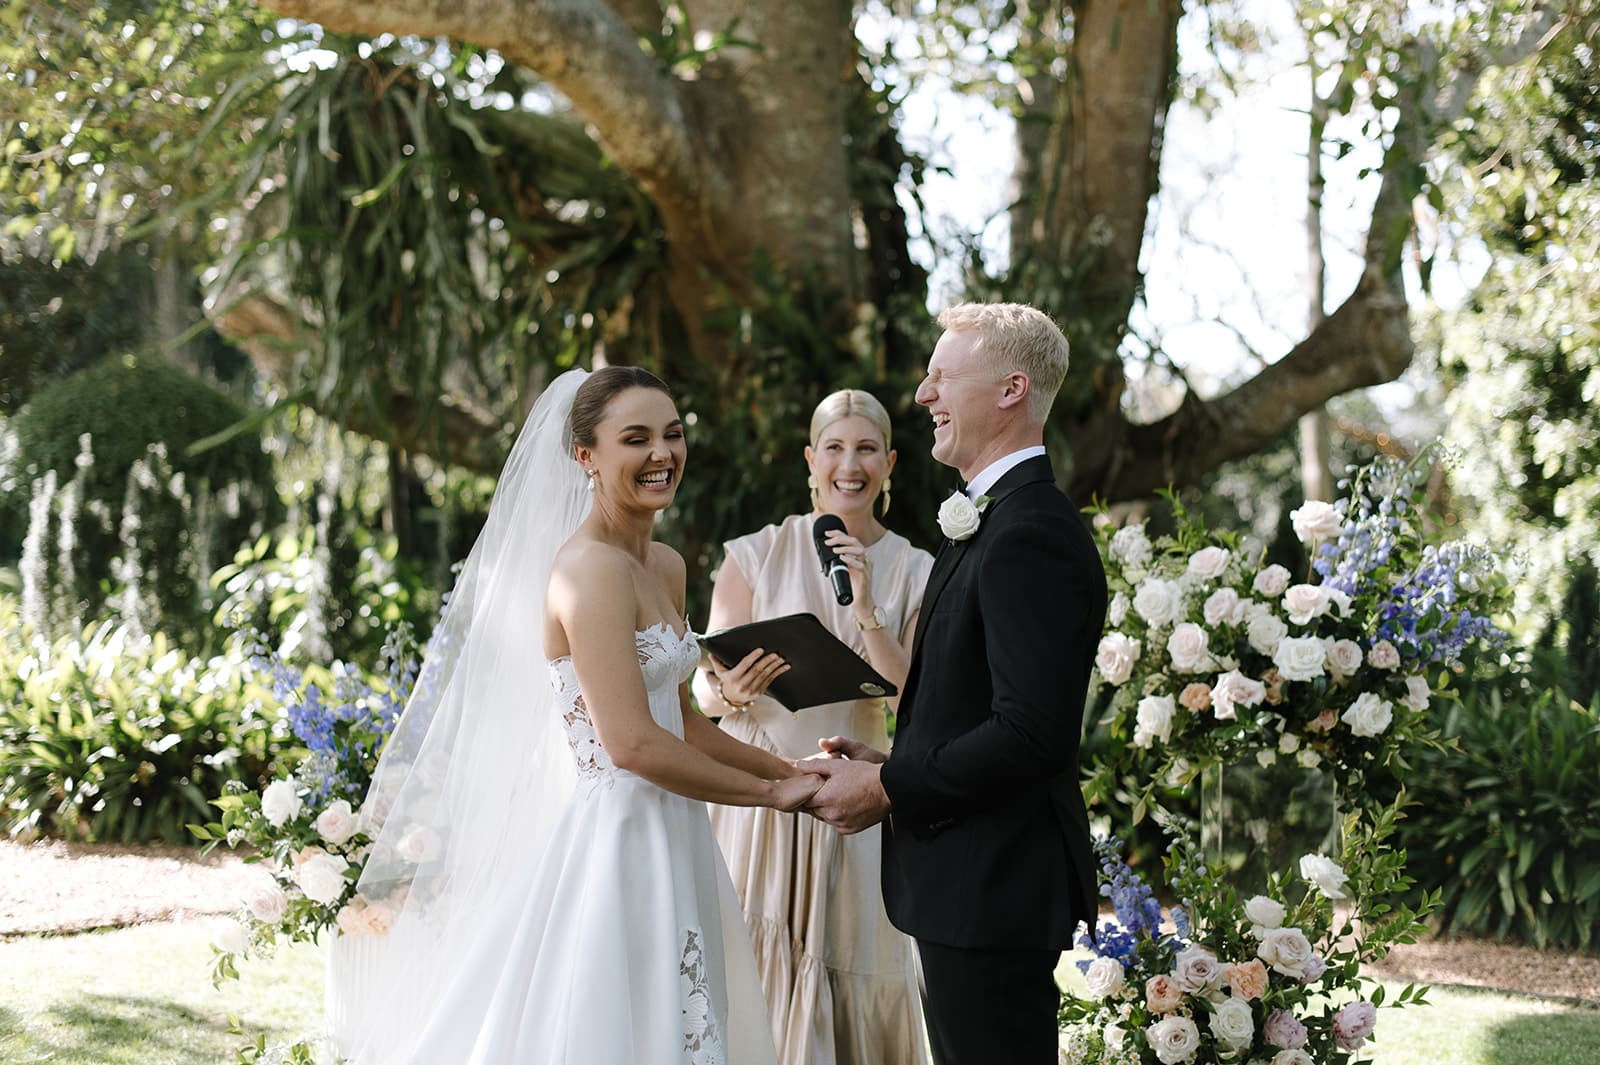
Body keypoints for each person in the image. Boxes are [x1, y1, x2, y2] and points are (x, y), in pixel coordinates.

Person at [328, 366, 818, 1065]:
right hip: (621, 836)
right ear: (586, 454)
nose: (663, 453)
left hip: (680, 826)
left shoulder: (668, 565)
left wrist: (791, 769)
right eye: (636, 438)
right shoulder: (586, 571)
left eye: (673, 435)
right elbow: (631, 744)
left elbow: (681, 719)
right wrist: (772, 796)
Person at [802, 304, 1108, 1065]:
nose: (923, 394)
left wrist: (890, 788)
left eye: (942, 376)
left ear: (1010, 388)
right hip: (970, 881)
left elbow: (1032, 732)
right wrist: (889, 763)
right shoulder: (992, 517)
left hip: (995, 885)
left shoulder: (1032, 530)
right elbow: (978, 704)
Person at [695, 389, 934, 1065]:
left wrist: (866, 608)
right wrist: (725, 687)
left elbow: (913, 690)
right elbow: (702, 684)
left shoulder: (918, 569)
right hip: (761, 788)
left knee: (850, 959)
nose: (848, 464)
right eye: (834, 447)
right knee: (754, 959)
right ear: (811, 459)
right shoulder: (756, 553)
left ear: (889, 463)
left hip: (854, 789)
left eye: (865, 449)